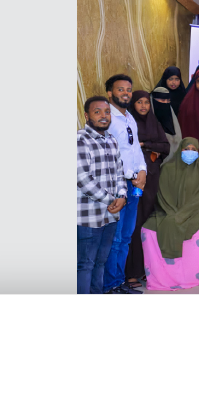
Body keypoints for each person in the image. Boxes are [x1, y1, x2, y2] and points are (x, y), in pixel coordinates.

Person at [140, 135, 199, 290]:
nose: (190, 152)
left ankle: (191, 276)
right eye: (186, 149)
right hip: (169, 210)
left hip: (198, 210)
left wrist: (184, 213)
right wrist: (174, 213)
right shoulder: (168, 168)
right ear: (179, 150)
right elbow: (163, 195)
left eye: (193, 149)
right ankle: (161, 278)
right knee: (148, 230)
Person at [77, 96, 127, 294]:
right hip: (88, 216)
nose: (103, 116)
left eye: (107, 112)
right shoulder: (80, 140)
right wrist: (112, 200)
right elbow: (82, 179)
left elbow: (119, 173)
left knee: (100, 262)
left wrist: (122, 196)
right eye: (97, 112)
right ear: (87, 115)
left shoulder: (111, 140)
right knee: (85, 265)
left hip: (110, 215)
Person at [103, 74, 148, 294]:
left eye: (128, 89)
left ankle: (119, 282)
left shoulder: (129, 118)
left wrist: (143, 171)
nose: (126, 93)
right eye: (120, 89)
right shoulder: (107, 118)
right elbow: (107, 154)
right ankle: (110, 285)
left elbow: (135, 149)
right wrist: (129, 175)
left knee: (126, 237)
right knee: (115, 238)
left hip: (134, 185)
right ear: (109, 93)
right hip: (116, 185)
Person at [124, 90, 170, 288]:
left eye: (146, 102)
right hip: (134, 180)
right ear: (133, 104)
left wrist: (145, 144)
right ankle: (131, 273)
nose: (143, 106)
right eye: (139, 102)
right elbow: (128, 148)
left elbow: (165, 147)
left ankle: (145, 269)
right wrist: (151, 148)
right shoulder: (128, 123)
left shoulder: (154, 122)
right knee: (134, 224)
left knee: (148, 224)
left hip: (152, 180)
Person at [152, 86, 183, 160]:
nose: (166, 103)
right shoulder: (149, 122)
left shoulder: (172, 117)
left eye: (168, 100)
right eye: (162, 100)